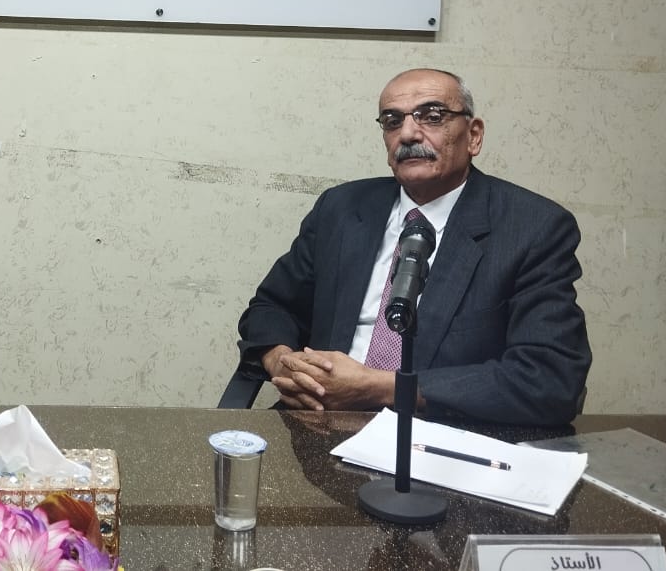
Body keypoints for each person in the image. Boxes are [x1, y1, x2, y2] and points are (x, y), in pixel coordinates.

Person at [236, 68, 591, 426]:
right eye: (392, 121)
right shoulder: (341, 209)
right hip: (318, 422)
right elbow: (270, 307)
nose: (407, 134)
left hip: (443, 433)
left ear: (473, 136)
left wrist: (380, 388)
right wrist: (281, 362)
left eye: (432, 117)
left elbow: (550, 379)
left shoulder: (531, 227)